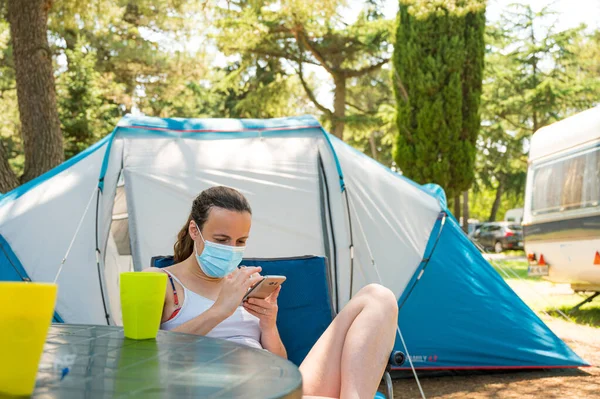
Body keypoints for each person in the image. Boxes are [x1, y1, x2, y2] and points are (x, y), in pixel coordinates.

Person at [145, 186, 398, 399]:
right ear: (194, 231)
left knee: (378, 297)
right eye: (221, 240)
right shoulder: (160, 281)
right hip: (218, 390)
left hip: (277, 385)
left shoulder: (245, 281)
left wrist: (268, 325)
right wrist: (220, 311)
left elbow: (280, 361)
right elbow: (140, 357)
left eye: (241, 241)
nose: (232, 249)